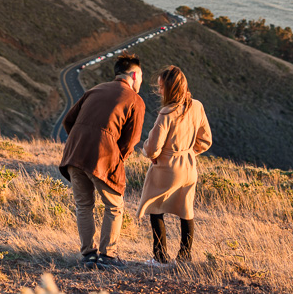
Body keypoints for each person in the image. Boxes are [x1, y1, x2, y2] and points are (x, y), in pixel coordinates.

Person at [59, 53, 146, 270]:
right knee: (114, 206)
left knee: (84, 206)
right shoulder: (134, 99)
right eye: (141, 77)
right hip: (102, 155)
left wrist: (80, 141)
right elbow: (131, 140)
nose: (141, 82)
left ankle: (88, 255)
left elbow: (69, 120)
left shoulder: (95, 90)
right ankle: (108, 256)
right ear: (134, 75)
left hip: (74, 154)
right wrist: (118, 159)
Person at [136, 65, 212, 266]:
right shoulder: (197, 106)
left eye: (161, 87)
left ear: (170, 89)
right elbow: (206, 140)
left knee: (154, 207)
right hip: (189, 165)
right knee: (186, 211)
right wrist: (189, 152)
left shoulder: (167, 112)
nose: (159, 90)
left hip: (168, 167)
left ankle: (160, 257)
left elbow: (153, 148)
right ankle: (184, 256)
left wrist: (150, 153)